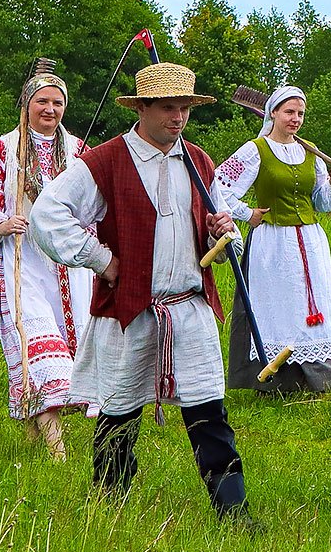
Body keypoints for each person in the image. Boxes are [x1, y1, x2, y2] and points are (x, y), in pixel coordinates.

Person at [29, 62, 253, 522]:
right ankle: (109, 509)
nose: (178, 118)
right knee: (119, 415)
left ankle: (234, 512)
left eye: (185, 108)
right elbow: (48, 214)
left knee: (210, 416)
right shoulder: (107, 160)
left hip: (188, 307)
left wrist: (219, 232)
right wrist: (101, 259)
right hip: (130, 310)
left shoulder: (199, 160)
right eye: (168, 108)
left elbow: (219, 232)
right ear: (143, 108)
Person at [0, 72, 96, 461]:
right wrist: (1, 223)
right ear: (26, 105)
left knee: (72, 352)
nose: (50, 110)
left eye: (57, 103)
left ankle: (31, 438)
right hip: (23, 266)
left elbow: (97, 202)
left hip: (71, 271)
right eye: (43, 102)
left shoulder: (78, 149)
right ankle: (57, 453)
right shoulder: (5, 148)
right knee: (38, 351)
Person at [215, 85, 331, 393]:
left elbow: (323, 204)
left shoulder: (310, 150)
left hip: (310, 243)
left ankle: (318, 379)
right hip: (272, 244)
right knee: (277, 306)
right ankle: (275, 379)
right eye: (289, 112)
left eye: (300, 114)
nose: (295, 119)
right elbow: (218, 185)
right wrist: (246, 212)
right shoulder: (255, 149)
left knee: (314, 307)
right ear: (273, 113)